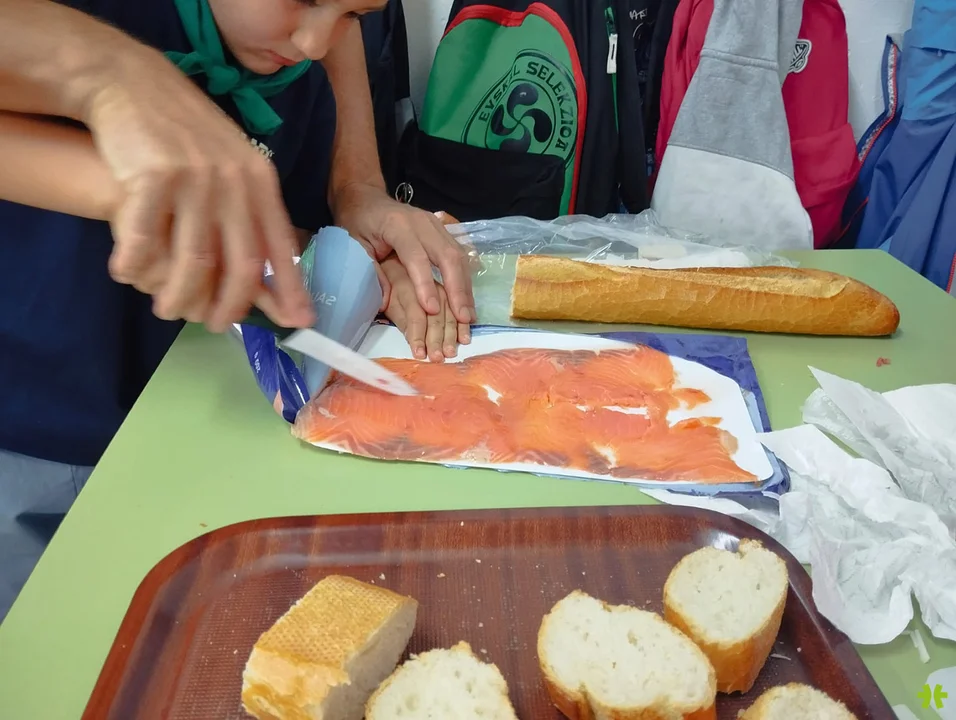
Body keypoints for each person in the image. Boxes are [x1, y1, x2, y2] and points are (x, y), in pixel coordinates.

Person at [0, 0, 474, 621]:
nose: (314, 43)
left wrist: (355, 186)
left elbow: (329, 45)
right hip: (37, 412)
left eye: (355, 14)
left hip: (202, 409)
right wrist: (116, 116)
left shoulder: (301, 46)